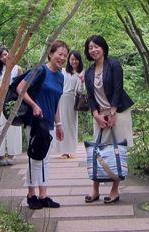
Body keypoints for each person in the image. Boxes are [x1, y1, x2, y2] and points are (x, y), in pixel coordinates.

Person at [83, 34, 134, 204]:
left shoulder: (113, 64)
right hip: (99, 115)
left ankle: (114, 190)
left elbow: (118, 89)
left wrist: (112, 114)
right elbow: (90, 96)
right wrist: (96, 115)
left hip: (118, 111)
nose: (94, 50)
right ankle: (95, 189)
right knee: (98, 151)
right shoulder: (89, 71)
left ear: (103, 48)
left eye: (96, 46)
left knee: (116, 150)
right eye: (90, 47)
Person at [17, 40, 68, 210]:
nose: (62, 58)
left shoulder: (61, 76)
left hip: (49, 124)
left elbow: (55, 102)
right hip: (35, 122)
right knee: (35, 158)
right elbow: (20, 88)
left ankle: (43, 196)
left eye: (65, 55)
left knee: (45, 159)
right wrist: (34, 105)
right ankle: (31, 195)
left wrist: (59, 124)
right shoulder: (40, 71)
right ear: (50, 54)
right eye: (59, 54)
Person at [0, 47, 23, 166]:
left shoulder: (17, 68)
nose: (4, 57)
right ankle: (0, 156)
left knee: (13, 126)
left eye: (5, 54)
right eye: (1, 56)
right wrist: (0, 91)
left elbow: (21, 83)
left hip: (12, 100)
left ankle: (11, 155)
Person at [51, 49, 84, 158]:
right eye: (72, 59)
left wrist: (82, 82)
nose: (74, 62)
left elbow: (80, 91)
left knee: (72, 125)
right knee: (62, 124)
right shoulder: (63, 71)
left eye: (76, 60)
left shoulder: (81, 73)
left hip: (72, 101)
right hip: (60, 99)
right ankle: (64, 151)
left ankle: (72, 149)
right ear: (69, 60)